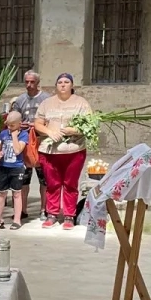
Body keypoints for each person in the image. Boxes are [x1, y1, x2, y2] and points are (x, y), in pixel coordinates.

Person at [34, 73, 92, 230]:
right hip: (50, 151)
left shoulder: (81, 103)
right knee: (53, 183)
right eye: (60, 82)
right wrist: (48, 131)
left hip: (74, 150)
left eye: (67, 82)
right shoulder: (47, 103)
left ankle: (69, 216)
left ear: (72, 85)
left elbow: (89, 124)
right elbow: (37, 123)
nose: (63, 84)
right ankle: (51, 214)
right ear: (56, 85)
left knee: (70, 183)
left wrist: (73, 130)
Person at [12, 70, 51, 219]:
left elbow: (51, 120)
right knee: (23, 179)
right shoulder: (20, 99)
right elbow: (13, 118)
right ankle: (22, 209)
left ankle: (44, 209)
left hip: (42, 143)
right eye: (26, 82)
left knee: (44, 179)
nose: (29, 85)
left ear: (37, 82)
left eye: (32, 82)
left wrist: (38, 125)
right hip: (24, 142)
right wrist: (19, 124)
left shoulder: (46, 99)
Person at [0, 111, 28, 230]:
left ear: (19, 124)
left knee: (17, 193)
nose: (9, 127)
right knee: (2, 193)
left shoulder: (23, 135)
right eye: (8, 125)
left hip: (16, 167)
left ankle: (17, 220)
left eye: (12, 125)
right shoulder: (3, 134)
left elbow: (18, 151)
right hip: (3, 166)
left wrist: (14, 136)